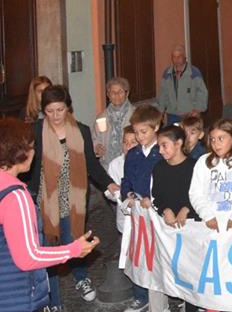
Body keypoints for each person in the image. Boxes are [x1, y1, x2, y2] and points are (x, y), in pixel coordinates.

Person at [27, 85, 119, 307]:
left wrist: (109, 183)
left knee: (73, 241)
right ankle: (52, 299)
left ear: (67, 107)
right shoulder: (36, 130)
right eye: (50, 111)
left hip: (73, 199)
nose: (56, 116)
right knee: (47, 248)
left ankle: (81, 277)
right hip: (44, 200)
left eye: (60, 110)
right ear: (43, 110)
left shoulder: (81, 130)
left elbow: (91, 165)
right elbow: (29, 166)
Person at [0, 119, 100, 312]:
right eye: (32, 146)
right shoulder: (16, 196)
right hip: (16, 296)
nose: (34, 151)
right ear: (21, 152)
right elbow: (28, 256)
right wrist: (74, 249)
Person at [150, 125, 200, 312]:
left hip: (192, 228)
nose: (160, 151)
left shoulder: (194, 167)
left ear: (178, 143)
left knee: (191, 270)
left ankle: (192, 306)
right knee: (168, 268)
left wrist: (187, 209)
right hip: (169, 230)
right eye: (159, 146)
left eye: (164, 145)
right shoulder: (159, 168)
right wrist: (166, 209)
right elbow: (157, 196)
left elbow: (201, 197)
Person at [120, 104, 163, 312]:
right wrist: (127, 193)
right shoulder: (134, 154)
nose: (138, 136)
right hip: (137, 211)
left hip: (156, 210)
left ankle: (161, 297)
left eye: (143, 132)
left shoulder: (162, 151)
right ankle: (140, 294)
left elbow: (166, 181)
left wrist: (154, 200)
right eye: (136, 132)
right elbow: (126, 178)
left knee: (158, 254)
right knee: (138, 254)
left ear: (156, 127)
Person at [188, 118, 232, 233]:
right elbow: (195, 193)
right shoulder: (203, 162)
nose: (216, 144)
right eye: (212, 139)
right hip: (210, 224)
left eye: (221, 139)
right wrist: (207, 216)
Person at [156, 45, 208, 124]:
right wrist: (161, 111)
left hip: (190, 115)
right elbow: (163, 93)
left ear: (184, 57)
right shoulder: (167, 73)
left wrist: (198, 109)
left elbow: (202, 93)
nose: (176, 60)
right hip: (172, 115)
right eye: (174, 57)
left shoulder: (194, 72)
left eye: (179, 57)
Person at [92, 76, 135, 167]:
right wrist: (97, 147)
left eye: (120, 92)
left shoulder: (136, 115)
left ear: (127, 94)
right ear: (108, 95)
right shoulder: (102, 117)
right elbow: (95, 138)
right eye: (113, 92)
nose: (116, 95)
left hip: (130, 162)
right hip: (107, 164)